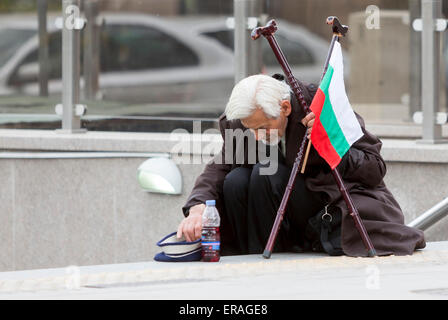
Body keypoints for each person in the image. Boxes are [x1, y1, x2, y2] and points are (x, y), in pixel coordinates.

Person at [177, 74, 425, 257]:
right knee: (236, 179)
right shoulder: (245, 121)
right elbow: (220, 167)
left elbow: (375, 167)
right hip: (270, 209)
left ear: (285, 108)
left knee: (266, 174)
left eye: (263, 128)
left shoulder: (317, 106)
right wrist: (198, 207)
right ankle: (255, 253)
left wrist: (327, 143)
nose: (256, 136)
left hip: (321, 201)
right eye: (250, 129)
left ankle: (277, 250)